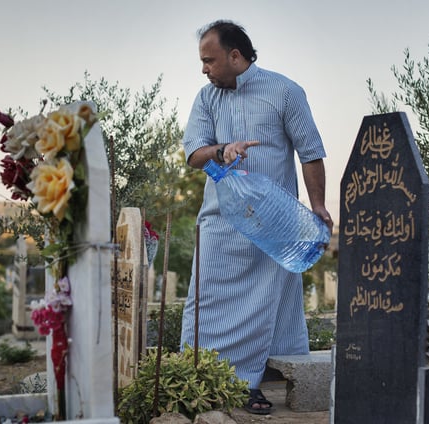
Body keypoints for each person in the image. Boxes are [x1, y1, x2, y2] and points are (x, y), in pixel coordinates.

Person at [180, 20, 333, 415]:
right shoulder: (206, 98)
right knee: (205, 303)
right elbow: (194, 154)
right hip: (218, 223)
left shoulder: (285, 92)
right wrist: (222, 150)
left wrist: (317, 206)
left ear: (235, 55)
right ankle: (199, 377)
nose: (204, 69)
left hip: (274, 226)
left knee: (271, 303)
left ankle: (254, 382)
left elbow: (310, 151)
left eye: (209, 60)